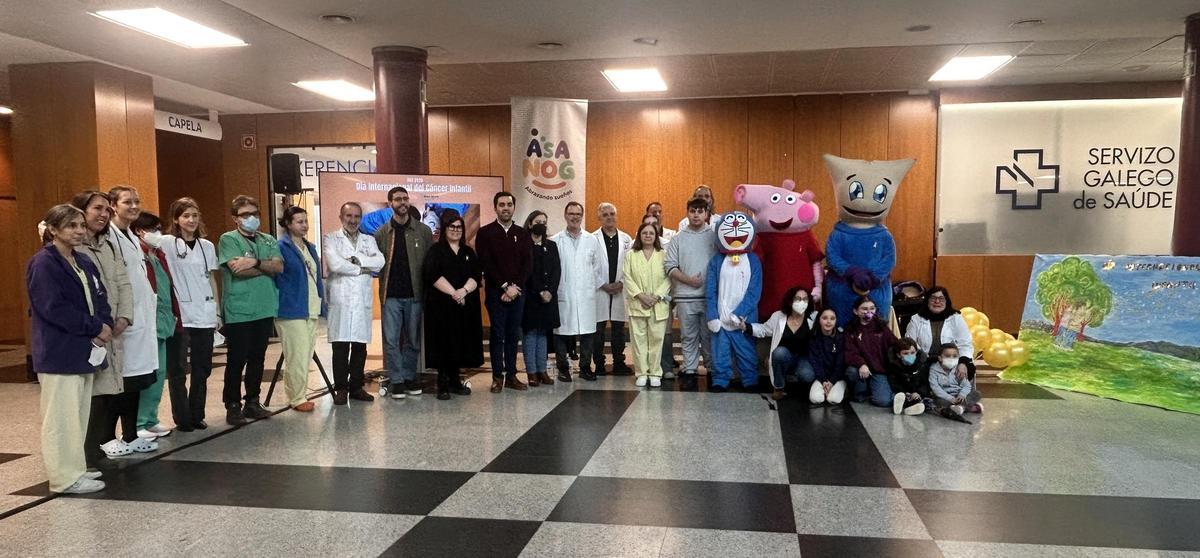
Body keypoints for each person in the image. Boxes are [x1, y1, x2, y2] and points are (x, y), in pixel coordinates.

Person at [29, 204, 114, 494]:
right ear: (53, 229)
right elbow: (54, 308)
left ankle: (76, 469)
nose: (79, 231)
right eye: (71, 226)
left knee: (78, 415)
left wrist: (105, 326)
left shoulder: (83, 261)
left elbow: (101, 296)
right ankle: (63, 478)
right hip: (59, 350)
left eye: (80, 225)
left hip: (85, 347)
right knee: (61, 418)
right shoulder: (44, 263)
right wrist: (94, 327)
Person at [70, 191, 134, 469]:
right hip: (89, 331)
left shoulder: (109, 244)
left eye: (107, 209)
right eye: (97, 208)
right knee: (88, 395)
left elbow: (123, 282)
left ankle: (95, 448)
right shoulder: (73, 246)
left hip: (112, 329)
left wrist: (124, 317)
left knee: (108, 391)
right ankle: (81, 455)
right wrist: (99, 326)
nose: (104, 214)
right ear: (80, 211)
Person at [103, 186, 161, 454]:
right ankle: (107, 437)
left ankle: (130, 434)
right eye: (127, 202)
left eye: (137, 201)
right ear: (113, 205)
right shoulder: (109, 236)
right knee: (119, 384)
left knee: (136, 381)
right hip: (123, 321)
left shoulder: (131, 235)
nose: (134, 206)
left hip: (140, 317)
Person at [218, 195, 283, 424]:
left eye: (255, 213)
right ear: (236, 218)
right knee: (237, 358)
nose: (252, 218)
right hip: (240, 309)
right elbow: (237, 270)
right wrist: (265, 267)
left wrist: (254, 262)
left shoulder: (267, 240)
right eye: (246, 215)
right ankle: (233, 404)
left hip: (264, 307)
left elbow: (278, 266)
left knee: (258, 357)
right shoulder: (229, 239)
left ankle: (253, 401)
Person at [161, 198, 220, 430]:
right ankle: (182, 417)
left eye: (195, 215)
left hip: (204, 312)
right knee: (177, 368)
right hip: (181, 314)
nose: (191, 220)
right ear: (176, 219)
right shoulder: (167, 243)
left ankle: (197, 414)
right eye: (186, 216)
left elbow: (211, 278)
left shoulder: (207, 246)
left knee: (202, 367)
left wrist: (217, 311)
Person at [375, 186, 434, 399]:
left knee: (413, 340)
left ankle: (410, 377)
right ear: (390, 203)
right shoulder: (381, 233)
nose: (402, 202)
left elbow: (430, 264)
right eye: (398, 199)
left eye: (405, 199)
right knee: (391, 340)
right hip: (390, 296)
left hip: (415, 295)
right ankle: (397, 381)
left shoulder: (423, 231)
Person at [324, 202, 384, 404]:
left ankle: (356, 387)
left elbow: (380, 261)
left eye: (357, 216)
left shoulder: (369, 239)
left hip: (361, 300)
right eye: (349, 216)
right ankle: (341, 388)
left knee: (359, 347)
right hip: (341, 300)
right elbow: (335, 264)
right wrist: (362, 267)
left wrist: (357, 259)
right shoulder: (331, 239)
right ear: (341, 217)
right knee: (340, 347)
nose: (353, 220)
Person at [129, 213, 183, 440]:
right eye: (154, 229)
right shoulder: (137, 256)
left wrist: (175, 314)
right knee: (145, 374)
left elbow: (168, 287)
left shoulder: (157, 255)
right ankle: (139, 422)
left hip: (163, 320)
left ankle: (151, 419)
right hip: (145, 322)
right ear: (140, 231)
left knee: (160, 373)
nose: (159, 234)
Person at [476, 192, 533, 393]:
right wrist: (504, 287)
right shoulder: (485, 233)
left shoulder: (523, 233)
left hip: (518, 294)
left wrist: (515, 287)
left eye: (509, 204)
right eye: (501, 204)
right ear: (495, 208)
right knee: (497, 334)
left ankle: (511, 375)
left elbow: (528, 264)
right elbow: (486, 263)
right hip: (495, 294)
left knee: (512, 335)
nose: (506, 208)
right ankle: (497, 377)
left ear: (514, 207)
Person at [422, 214, 483, 399]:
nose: (456, 230)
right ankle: (442, 384)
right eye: (452, 226)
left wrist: (463, 291)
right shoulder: (436, 250)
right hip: (441, 307)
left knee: (460, 342)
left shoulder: (468, 251)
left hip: (465, 306)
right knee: (443, 343)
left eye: (459, 227)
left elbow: (476, 275)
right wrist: (454, 294)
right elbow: (432, 274)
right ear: (444, 229)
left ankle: (455, 381)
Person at [274, 206, 324, 413]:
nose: (304, 225)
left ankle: (299, 392)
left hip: (310, 306)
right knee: (297, 353)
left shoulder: (310, 247)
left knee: (305, 353)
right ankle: (296, 397)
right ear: (287, 223)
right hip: (290, 308)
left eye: (305, 221)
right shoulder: (280, 247)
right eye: (299, 222)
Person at [665, 197, 717, 391]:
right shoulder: (678, 238)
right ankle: (690, 370)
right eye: (693, 211)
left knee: (709, 336)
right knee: (688, 336)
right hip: (685, 296)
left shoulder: (714, 236)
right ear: (687, 213)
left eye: (700, 211)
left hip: (709, 297)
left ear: (706, 214)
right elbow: (670, 266)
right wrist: (689, 280)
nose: (696, 215)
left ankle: (711, 370)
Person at [552, 201, 604, 382]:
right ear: (565, 216)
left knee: (588, 332)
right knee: (561, 333)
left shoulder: (592, 240)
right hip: (563, 293)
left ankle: (585, 367)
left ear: (582, 216)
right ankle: (563, 368)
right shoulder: (555, 240)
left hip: (586, 295)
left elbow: (597, 268)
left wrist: (590, 286)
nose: (575, 217)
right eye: (571, 213)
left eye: (578, 214)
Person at [623, 222, 672, 388]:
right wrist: (641, 296)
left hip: (658, 305)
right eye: (645, 233)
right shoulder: (631, 255)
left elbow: (668, 278)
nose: (648, 235)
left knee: (657, 340)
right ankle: (642, 373)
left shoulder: (664, 254)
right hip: (638, 304)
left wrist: (656, 296)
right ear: (639, 235)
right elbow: (627, 277)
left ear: (656, 236)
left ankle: (655, 373)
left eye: (652, 233)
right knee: (638, 341)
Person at [749, 286, 816, 401]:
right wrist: (746, 327)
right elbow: (764, 330)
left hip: (802, 359)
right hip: (783, 356)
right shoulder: (778, 316)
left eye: (805, 299)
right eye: (798, 299)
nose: (802, 302)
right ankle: (778, 387)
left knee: (808, 376)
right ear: (790, 301)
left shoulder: (813, 317)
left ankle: (793, 380)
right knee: (779, 353)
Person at [904, 286, 975, 384]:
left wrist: (963, 363)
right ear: (927, 301)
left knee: (966, 368)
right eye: (933, 298)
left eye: (941, 298)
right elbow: (909, 343)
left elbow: (965, 344)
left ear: (946, 301)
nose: (937, 301)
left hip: (951, 361)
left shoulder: (956, 318)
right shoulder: (916, 319)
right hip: (925, 361)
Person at [593, 202, 632, 376]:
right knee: (598, 329)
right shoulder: (592, 239)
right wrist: (603, 284)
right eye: (605, 215)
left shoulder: (626, 239)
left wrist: (621, 282)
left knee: (618, 328)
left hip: (619, 288)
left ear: (616, 216)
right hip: (600, 289)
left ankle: (619, 363)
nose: (609, 217)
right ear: (599, 218)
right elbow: (590, 265)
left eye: (612, 214)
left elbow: (630, 264)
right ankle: (599, 364)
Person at [521, 210, 560, 387]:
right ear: (530, 224)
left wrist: (550, 291)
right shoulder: (523, 244)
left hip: (548, 297)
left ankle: (542, 370)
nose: (541, 225)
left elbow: (556, 271)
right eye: (538, 221)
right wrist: (539, 291)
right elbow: (526, 272)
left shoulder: (551, 246)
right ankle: (531, 372)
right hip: (530, 296)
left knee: (543, 333)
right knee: (530, 334)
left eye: (544, 222)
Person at [844, 296, 896, 407]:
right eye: (864, 309)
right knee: (851, 372)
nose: (869, 312)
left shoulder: (882, 327)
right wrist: (861, 364)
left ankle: (895, 396)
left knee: (883, 401)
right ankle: (860, 393)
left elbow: (894, 344)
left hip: (878, 370)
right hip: (860, 369)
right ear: (856, 311)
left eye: (872, 308)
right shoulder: (850, 329)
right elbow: (849, 351)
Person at [929, 343, 984, 419]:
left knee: (977, 394)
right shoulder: (934, 370)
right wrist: (949, 398)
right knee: (939, 402)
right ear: (940, 358)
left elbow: (966, 385)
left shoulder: (958, 369)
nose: (951, 358)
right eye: (947, 356)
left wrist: (962, 394)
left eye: (955, 356)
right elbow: (935, 388)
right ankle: (968, 407)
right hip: (945, 396)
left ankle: (960, 407)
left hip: (958, 395)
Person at [808, 308, 847, 404]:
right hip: (822, 377)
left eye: (832, 318)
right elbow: (815, 361)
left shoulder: (841, 337)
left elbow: (840, 362)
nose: (828, 321)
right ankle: (825, 389)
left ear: (836, 321)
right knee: (816, 399)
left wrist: (832, 381)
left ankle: (844, 387)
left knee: (833, 399)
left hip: (837, 377)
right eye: (825, 318)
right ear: (819, 320)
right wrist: (823, 381)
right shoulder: (813, 338)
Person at [886, 338, 928, 416]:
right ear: (898, 355)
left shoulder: (922, 364)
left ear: (916, 352)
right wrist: (904, 392)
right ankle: (902, 405)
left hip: (916, 392)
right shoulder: (894, 366)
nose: (910, 356)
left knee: (923, 400)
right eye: (905, 353)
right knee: (895, 396)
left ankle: (910, 408)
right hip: (902, 392)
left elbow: (925, 383)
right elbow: (894, 381)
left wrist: (919, 393)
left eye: (912, 353)